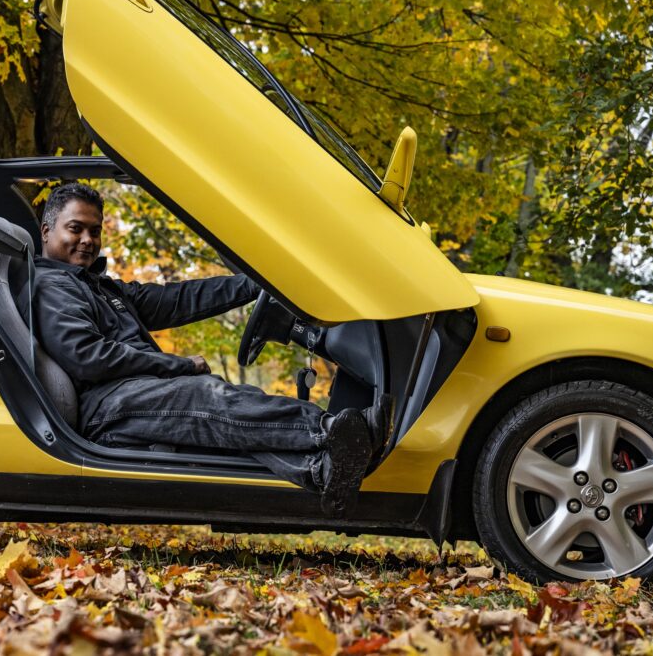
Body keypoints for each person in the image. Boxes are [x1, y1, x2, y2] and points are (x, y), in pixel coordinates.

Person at [32, 182, 393, 516]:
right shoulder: (54, 287)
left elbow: (178, 299)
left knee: (232, 417)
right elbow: (87, 356)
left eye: (95, 231)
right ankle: (337, 431)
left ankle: (323, 470)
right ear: (47, 231)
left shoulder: (99, 287)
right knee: (211, 397)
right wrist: (179, 367)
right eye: (75, 228)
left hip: (132, 394)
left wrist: (253, 284)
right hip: (108, 406)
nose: (88, 240)